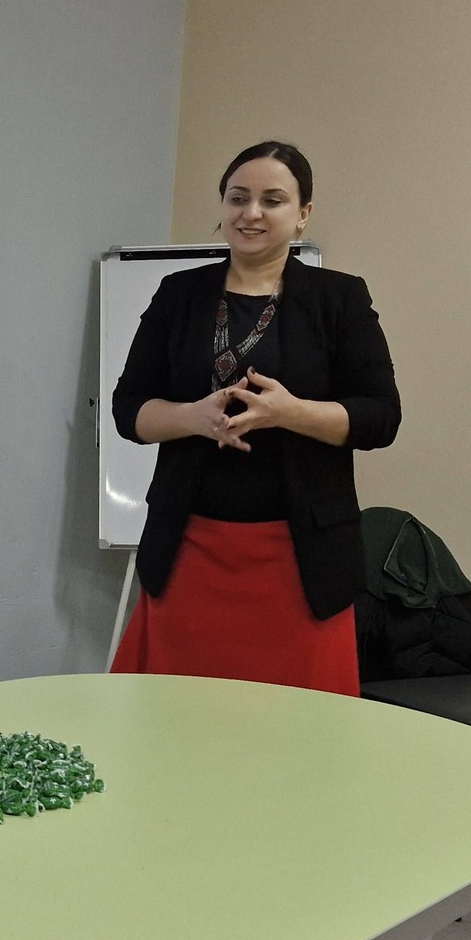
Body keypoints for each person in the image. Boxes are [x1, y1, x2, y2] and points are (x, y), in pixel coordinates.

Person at [109, 141, 400, 695]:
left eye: (273, 200)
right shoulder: (179, 294)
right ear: (223, 206)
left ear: (302, 213)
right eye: (238, 198)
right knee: (178, 718)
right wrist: (195, 418)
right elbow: (129, 410)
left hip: (301, 561)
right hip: (189, 551)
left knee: (296, 728)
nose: (252, 213)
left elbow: (381, 418)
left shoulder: (339, 298)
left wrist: (290, 413)